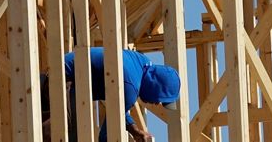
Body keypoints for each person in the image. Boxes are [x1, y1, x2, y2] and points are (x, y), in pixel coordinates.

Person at [51, 47, 180, 142]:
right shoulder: (130, 87)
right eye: (160, 99)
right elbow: (106, 136)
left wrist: (134, 131)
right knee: (70, 136)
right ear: (154, 86)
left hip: (62, 74)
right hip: (63, 81)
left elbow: (119, 109)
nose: (157, 103)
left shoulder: (143, 64)